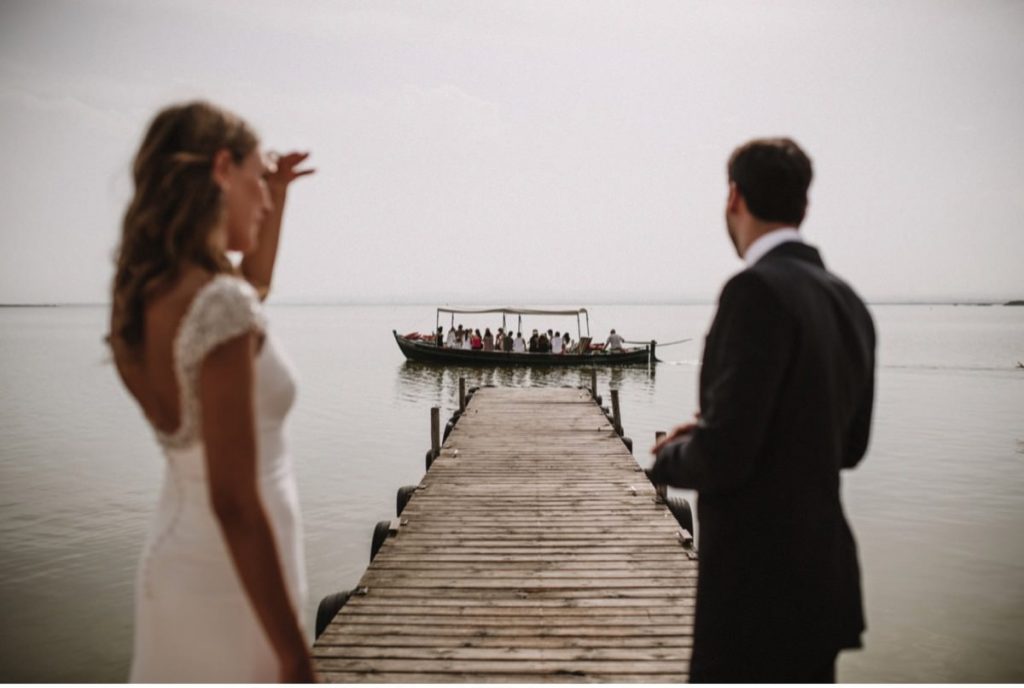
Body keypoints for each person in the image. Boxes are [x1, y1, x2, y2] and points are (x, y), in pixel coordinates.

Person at [648, 138, 875, 683]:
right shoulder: (847, 300)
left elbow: (725, 457)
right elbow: (848, 445)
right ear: (804, 205)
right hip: (822, 580)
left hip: (755, 589)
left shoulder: (754, 290)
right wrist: (714, 429)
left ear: (734, 197)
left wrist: (671, 456)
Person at [108, 102, 316, 682]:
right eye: (259, 180)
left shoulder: (148, 297)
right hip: (232, 581)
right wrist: (296, 657)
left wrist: (280, 193)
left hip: (180, 560)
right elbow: (234, 501)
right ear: (222, 169)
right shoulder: (219, 306)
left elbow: (252, 288)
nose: (267, 199)